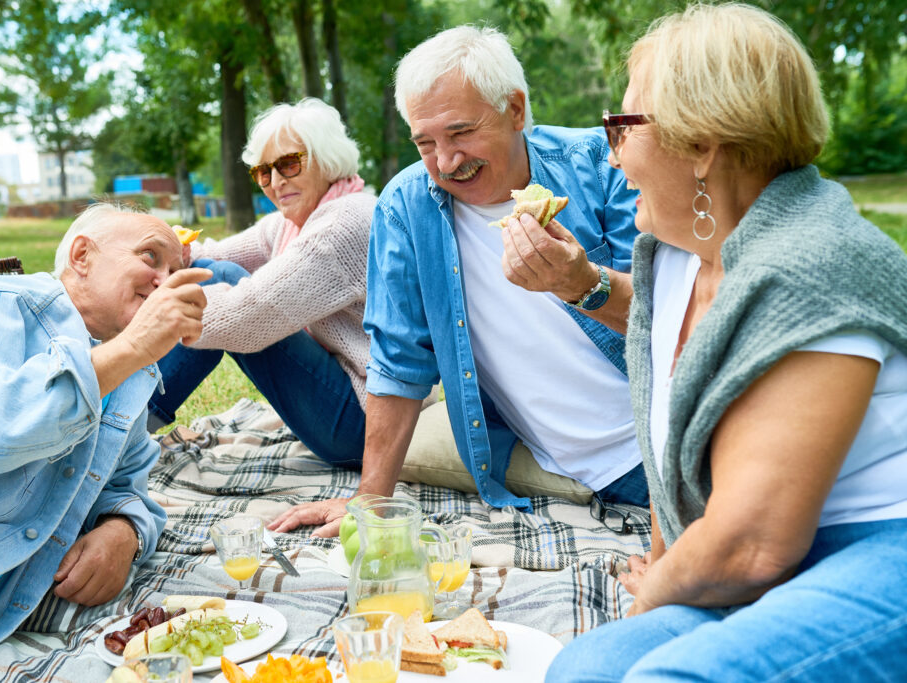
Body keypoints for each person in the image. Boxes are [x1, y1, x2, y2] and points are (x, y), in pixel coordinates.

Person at [544, 5, 907, 681]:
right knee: (581, 670)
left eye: (622, 127)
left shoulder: (814, 263)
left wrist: (652, 596)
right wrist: (663, 556)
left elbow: (750, 546)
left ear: (701, 142)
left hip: (882, 543)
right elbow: (669, 428)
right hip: (792, 556)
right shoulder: (674, 258)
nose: (609, 151)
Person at [271, 25, 647, 538]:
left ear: (515, 109)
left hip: (667, 442)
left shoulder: (603, 166)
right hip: (578, 471)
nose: (446, 162)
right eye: (425, 143)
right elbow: (399, 361)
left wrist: (583, 283)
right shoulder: (407, 207)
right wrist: (370, 500)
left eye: (461, 132)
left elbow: (673, 319)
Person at [0, 203, 211, 681]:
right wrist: (132, 348)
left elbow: (129, 486)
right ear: (82, 256)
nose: (166, 280)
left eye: (177, 271)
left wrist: (125, 533)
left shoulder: (128, 376)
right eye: (150, 257)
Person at [149, 97, 376, 468]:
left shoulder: (344, 223)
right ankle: (132, 419)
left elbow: (245, 317)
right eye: (263, 172)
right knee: (210, 271)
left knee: (215, 285)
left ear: (326, 156)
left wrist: (148, 315)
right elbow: (215, 255)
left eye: (288, 163)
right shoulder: (297, 220)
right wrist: (160, 255)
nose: (276, 181)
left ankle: (125, 425)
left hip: (366, 424)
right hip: (343, 401)